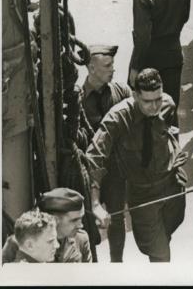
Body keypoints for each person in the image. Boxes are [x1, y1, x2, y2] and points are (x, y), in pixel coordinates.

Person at [87, 69, 187, 263]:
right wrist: (95, 202)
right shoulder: (118, 118)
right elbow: (94, 156)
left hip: (173, 187)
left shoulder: (168, 104)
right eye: (147, 101)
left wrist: (177, 154)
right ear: (135, 96)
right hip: (144, 194)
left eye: (158, 99)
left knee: (166, 237)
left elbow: (170, 132)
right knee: (160, 253)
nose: (154, 106)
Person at [80, 45, 131, 261]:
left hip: (117, 171)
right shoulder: (79, 99)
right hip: (92, 172)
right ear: (91, 68)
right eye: (107, 66)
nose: (113, 69)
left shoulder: (121, 91)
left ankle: (116, 262)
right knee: (88, 222)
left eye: (113, 65)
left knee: (117, 219)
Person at [129, 0, 191, 109]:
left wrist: (135, 67)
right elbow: (185, 16)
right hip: (174, 53)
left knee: (150, 109)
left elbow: (143, 38)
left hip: (151, 58)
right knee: (171, 106)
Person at [2, 188, 91, 263]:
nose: (81, 225)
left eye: (81, 218)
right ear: (55, 220)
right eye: (74, 220)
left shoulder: (81, 239)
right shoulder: (18, 243)